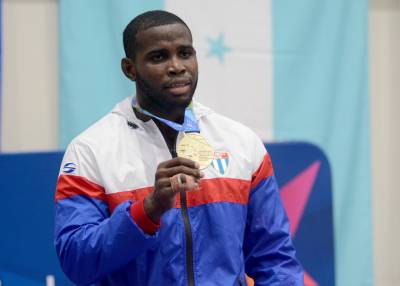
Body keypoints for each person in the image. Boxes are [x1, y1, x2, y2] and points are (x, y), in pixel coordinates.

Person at [54, 10, 304, 286]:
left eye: (185, 53)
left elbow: (274, 258)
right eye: (158, 57)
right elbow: (76, 261)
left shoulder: (241, 143)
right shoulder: (91, 150)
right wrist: (148, 210)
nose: (177, 66)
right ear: (129, 69)